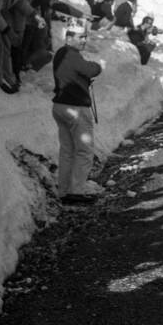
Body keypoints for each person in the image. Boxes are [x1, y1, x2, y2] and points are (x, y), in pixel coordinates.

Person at [51, 19, 104, 202]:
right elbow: (89, 69)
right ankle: (76, 192)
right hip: (75, 108)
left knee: (67, 151)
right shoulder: (72, 55)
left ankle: (64, 191)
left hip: (60, 106)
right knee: (84, 151)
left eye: (85, 37)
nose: (84, 41)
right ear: (69, 37)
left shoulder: (60, 53)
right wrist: (97, 66)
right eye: (80, 37)